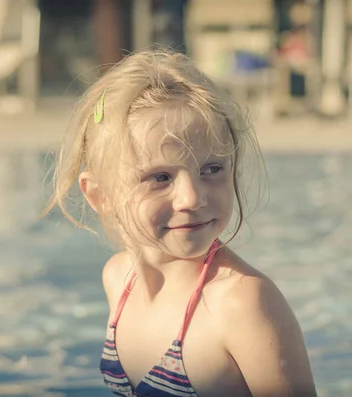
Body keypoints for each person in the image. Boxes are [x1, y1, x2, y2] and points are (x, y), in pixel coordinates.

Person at [43, 48, 317, 397]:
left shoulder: (241, 303)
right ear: (100, 196)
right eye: (159, 177)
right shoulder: (118, 279)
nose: (192, 198)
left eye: (212, 169)